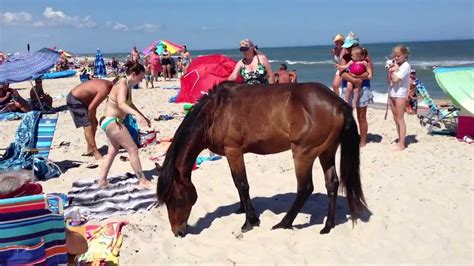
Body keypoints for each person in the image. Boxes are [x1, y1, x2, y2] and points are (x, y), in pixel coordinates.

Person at [98, 61, 152, 188]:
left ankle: (102, 181)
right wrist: (136, 116)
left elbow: (130, 104)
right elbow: (122, 104)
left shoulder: (127, 85)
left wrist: (142, 115)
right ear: (134, 74)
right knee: (132, 149)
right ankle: (142, 181)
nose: (141, 80)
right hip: (112, 121)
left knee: (112, 151)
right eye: (141, 77)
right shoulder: (122, 84)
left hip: (109, 121)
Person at [337, 32, 374, 147]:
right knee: (346, 115)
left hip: (363, 88)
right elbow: (341, 73)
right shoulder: (344, 56)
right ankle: (347, 138)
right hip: (347, 87)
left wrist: (357, 78)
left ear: (355, 46)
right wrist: (354, 80)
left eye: (349, 47)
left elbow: (369, 74)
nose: (346, 49)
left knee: (361, 117)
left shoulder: (365, 57)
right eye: (346, 47)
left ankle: (363, 140)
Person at [67, 79, 113, 160]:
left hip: (83, 100)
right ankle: (96, 153)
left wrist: (93, 120)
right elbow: (92, 108)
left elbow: (92, 104)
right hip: (75, 99)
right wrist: (92, 121)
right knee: (89, 126)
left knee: (93, 123)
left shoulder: (108, 84)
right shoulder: (106, 88)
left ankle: (90, 149)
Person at [387, 45, 411, 151]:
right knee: (395, 118)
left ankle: (402, 143)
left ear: (405, 55)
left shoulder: (406, 66)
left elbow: (396, 79)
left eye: (398, 56)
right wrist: (391, 69)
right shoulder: (395, 65)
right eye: (395, 56)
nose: (396, 58)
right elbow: (389, 80)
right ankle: (400, 139)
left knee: (400, 119)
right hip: (392, 92)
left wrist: (394, 70)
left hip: (400, 93)